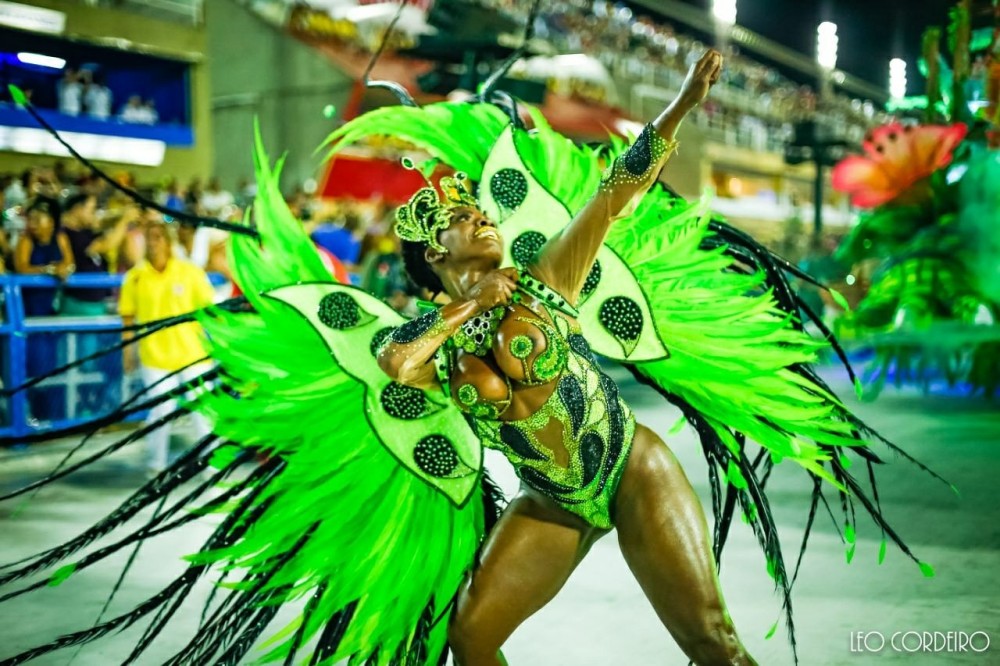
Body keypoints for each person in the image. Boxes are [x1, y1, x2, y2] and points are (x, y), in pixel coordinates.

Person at [375, 50, 755, 665]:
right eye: (461, 219)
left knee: (711, 641)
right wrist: (469, 308)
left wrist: (683, 103)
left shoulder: (544, 276)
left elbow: (616, 192)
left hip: (632, 471)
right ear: (432, 256)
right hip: (552, 500)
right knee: (470, 639)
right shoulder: (432, 342)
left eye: (480, 210)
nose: (480, 219)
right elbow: (396, 364)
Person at [119, 221, 215, 474]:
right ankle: (156, 467)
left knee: (204, 411)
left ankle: (213, 466)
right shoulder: (135, 277)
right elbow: (127, 317)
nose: (153, 242)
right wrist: (127, 352)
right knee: (161, 410)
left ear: (168, 241)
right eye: (149, 237)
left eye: (159, 237)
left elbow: (211, 312)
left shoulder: (191, 273)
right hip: (155, 357)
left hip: (194, 355)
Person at [59, 193, 129, 316]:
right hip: (79, 303)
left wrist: (121, 214)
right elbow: (107, 244)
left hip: (93, 301)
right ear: (77, 209)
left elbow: (103, 223)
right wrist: (125, 220)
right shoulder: (67, 234)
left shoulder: (83, 231)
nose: (94, 214)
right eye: (91, 209)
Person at [13, 197, 74, 316]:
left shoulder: (60, 238)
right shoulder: (26, 240)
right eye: (30, 219)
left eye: (37, 220)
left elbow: (70, 262)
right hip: (29, 302)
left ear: (51, 221)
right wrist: (48, 270)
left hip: (53, 301)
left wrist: (63, 268)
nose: (32, 224)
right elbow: (21, 268)